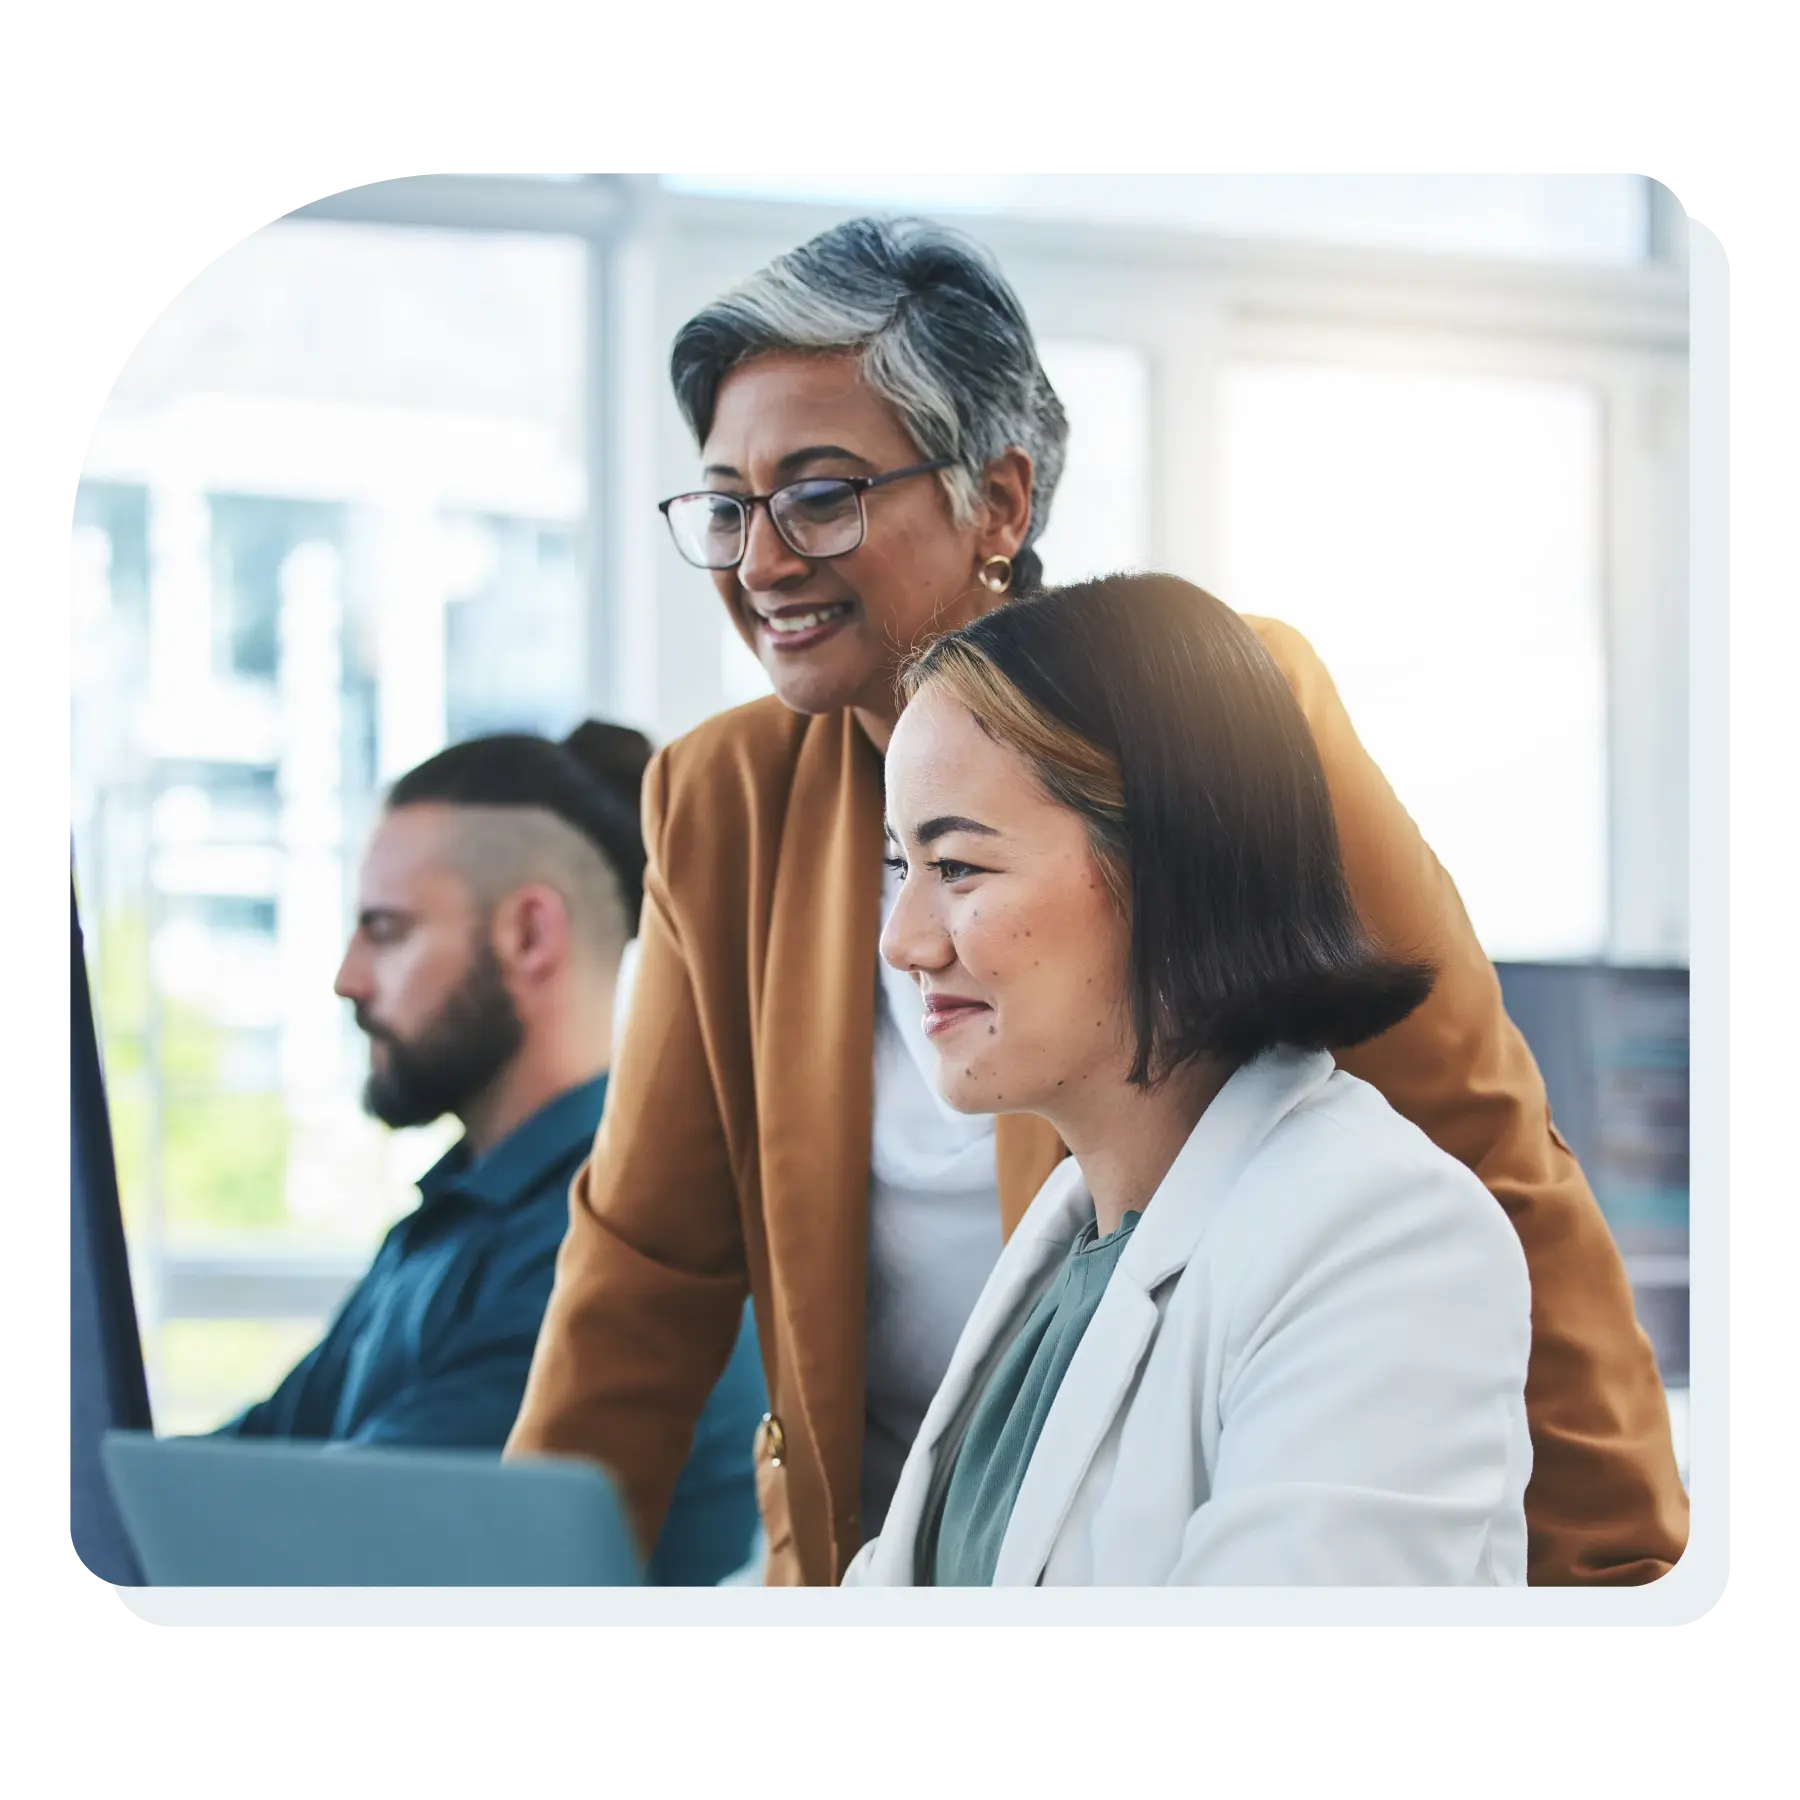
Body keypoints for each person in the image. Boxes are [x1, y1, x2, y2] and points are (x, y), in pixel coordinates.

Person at [507, 217, 1687, 1586]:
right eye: (726, 505)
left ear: (997, 503)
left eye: (819, 495)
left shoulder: (1209, 719)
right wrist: (518, 1588)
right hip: (901, 1542)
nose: (760, 560)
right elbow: (642, 1275)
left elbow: (1476, 1148)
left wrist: (1616, 1575)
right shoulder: (726, 799)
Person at [847, 574, 1531, 1585]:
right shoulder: (1074, 1243)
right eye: (903, 869)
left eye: (958, 869)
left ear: (1170, 866)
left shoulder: (1386, 1238)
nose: (902, 944)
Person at [215, 722, 767, 1586]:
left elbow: (318, 1554)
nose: (347, 978)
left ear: (528, 935)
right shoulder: (453, 1219)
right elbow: (239, 1470)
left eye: (386, 931)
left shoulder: (610, 1242)